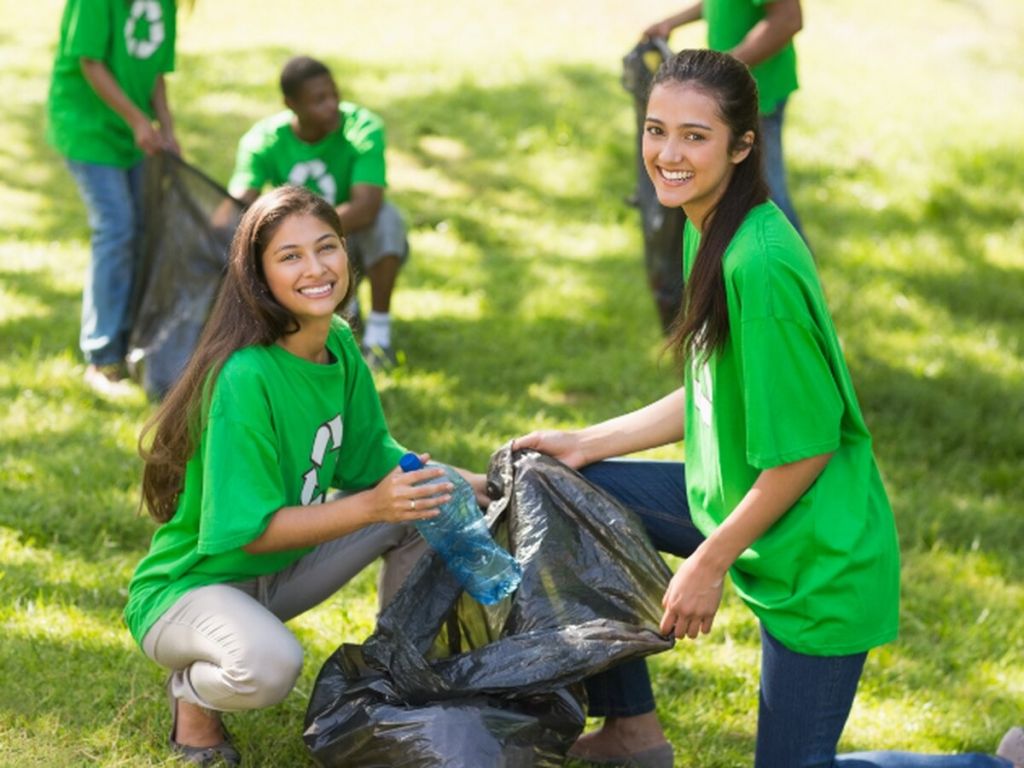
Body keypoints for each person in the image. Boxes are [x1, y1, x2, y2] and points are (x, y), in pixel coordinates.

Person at [514, 49, 1014, 768]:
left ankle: (992, 766)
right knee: (562, 488)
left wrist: (708, 562)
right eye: (656, 130)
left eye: (695, 135)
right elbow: (712, 387)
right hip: (734, 506)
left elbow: (806, 452)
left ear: (743, 145)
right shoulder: (707, 222)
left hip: (815, 554)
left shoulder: (762, 264)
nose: (668, 153)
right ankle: (631, 730)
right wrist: (586, 443)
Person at [124, 185, 484, 765]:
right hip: (193, 590)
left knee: (426, 502)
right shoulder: (245, 377)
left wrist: (478, 478)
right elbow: (251, 533)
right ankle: (192, 700)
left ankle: (393, 681)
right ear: (259, 276)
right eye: (289, 256)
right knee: (268, 668)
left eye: (326, 248)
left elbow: (376, 461)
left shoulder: (339, 343)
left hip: (278, 575)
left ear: (347, 251)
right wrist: (372, 508)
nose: (315, 269)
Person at [227, 55, 408, 370]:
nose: (332, 105)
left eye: (334, 94)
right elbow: (237, 203)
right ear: (291, 104)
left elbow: (366, 207)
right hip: (307, 252)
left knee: (387, 219)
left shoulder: (361, 128)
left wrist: (311, 235)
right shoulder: (264, 140)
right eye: (319, 100)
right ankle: (334, 316)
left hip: (354, 239)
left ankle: (379, 336)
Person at [47, 0, 181, 396]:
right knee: (117, 228)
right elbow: (90, 63)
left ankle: (131, 342)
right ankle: (101, 356)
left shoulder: (166, 4)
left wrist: (167, 128)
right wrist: (138, 121)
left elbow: (155, 72)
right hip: (88, 128)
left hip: (132, 132)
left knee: (143, 231)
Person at [644, 0, 807, 242]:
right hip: (719, 98)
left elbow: (788, 19)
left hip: (752, 97)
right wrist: (672, 22)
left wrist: (721, 73)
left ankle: (790, 269)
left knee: (765, 195)